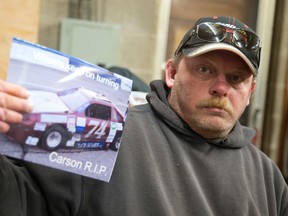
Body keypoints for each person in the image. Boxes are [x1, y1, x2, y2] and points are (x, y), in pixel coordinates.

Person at [0, 16, 287, 216]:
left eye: (236, 78)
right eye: (205, 69)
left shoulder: (268, 178)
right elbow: (21, 201)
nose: (221, 87)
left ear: (250, 92)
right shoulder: (108, 134)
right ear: (172, 73)